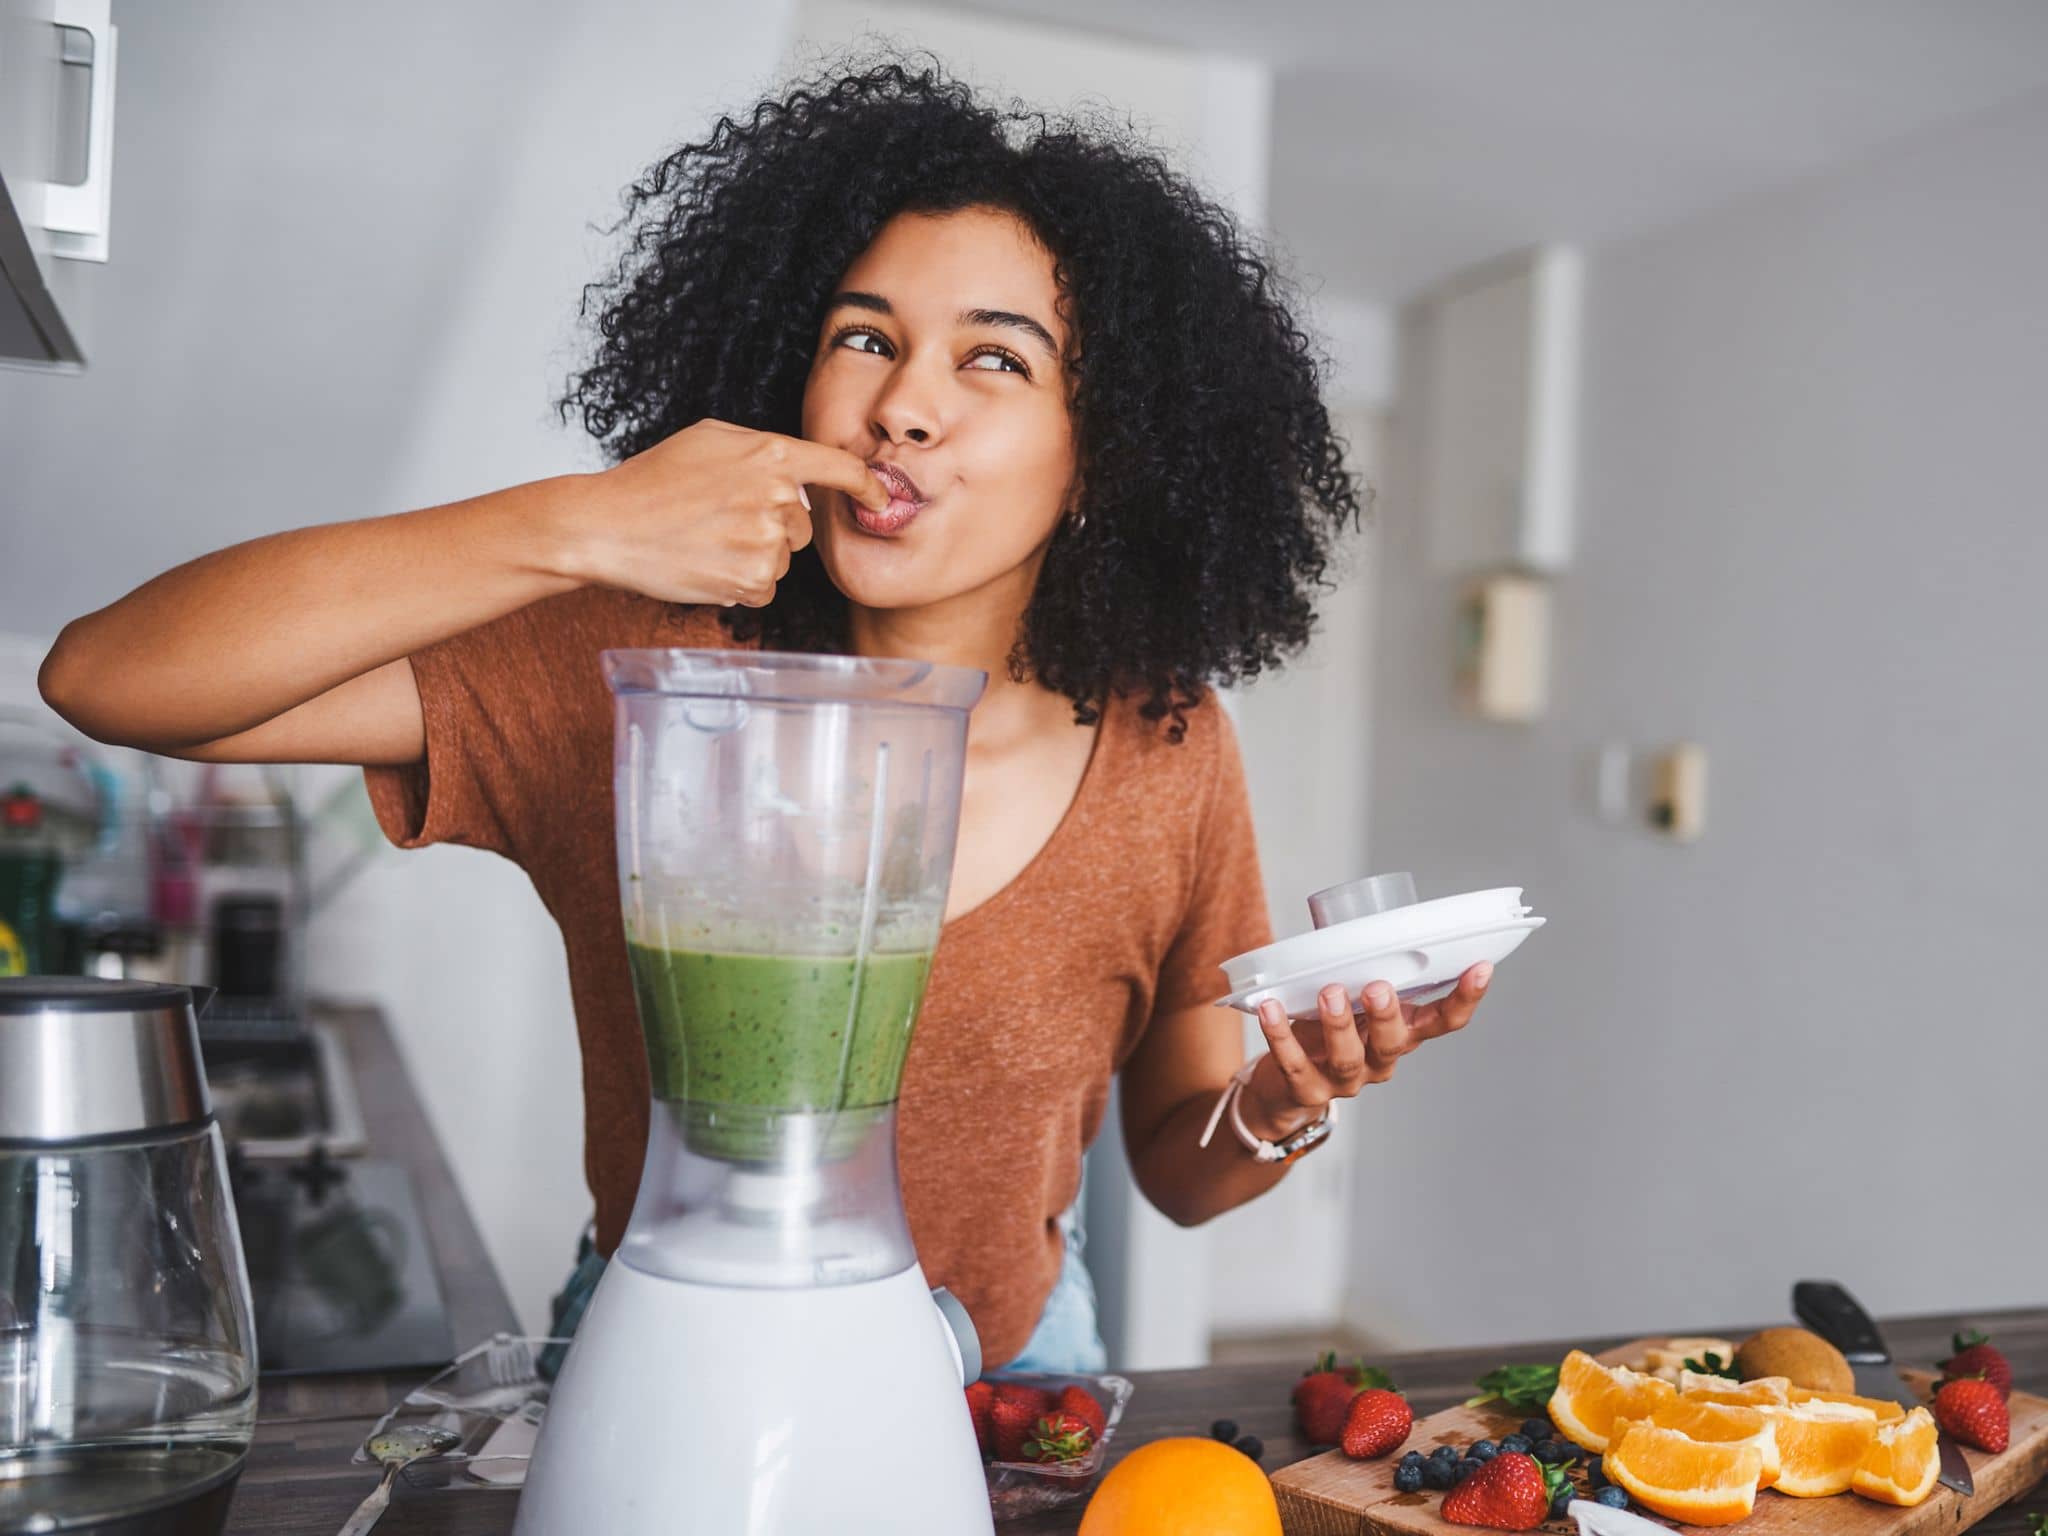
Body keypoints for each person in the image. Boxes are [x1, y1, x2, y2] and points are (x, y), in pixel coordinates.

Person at [39, 57, 1494, 1373]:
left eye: (993, 358)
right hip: (665, 1357)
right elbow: (111, 677)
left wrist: (1289, 1100)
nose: (902, 405)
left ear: (1104, 451)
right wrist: (585, 523)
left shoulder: (1166, 748)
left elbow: (1183, 1174)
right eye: (866, 337)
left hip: (1013, 1392)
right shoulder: (638, 671)